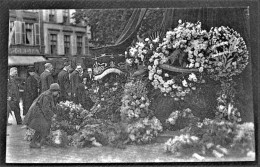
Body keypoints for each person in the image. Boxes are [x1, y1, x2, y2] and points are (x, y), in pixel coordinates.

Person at [23, 83, 60, 148]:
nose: (58, 93)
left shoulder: (49, 95)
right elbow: (45, 108)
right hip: (37, 111)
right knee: (42, 126)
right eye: (57, 92)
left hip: (39, 111)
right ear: (54, 91)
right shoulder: (47, 96)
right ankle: (34, 143)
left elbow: (50, 106)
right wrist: (52, 115)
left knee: (42, 127)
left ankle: (39, 141)